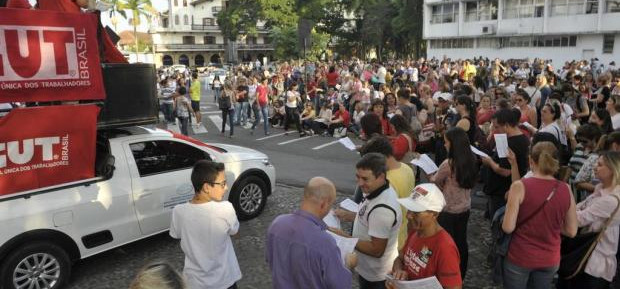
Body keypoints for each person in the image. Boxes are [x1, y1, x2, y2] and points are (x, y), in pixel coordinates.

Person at [502, 142, 577, 289]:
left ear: (531, 161)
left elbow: (508, 227)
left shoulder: (519, 186)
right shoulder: (566, 189)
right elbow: (571, 231)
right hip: (550, 258)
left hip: (520, 256)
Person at [266, 177, 356, 289]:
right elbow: (340, 285)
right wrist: (348, 264)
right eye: (331, 205)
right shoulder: (325, 242)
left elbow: (271, 260)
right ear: (323, 204)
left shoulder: (277, 223)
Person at [169, 160, 242, 289]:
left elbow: (177, 235)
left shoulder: (178, 211)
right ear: (207, 187)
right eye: (222, 183)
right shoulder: (225, 209)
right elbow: (235, 232)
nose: (226, 187)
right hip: (224, 280)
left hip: (195, 282)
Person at [334, 153, 402, 289]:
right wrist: (349, 215)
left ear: (381, 177)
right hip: (368, 270)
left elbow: (376, 250)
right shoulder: (376, 189)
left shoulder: (383, 210)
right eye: (357, 177)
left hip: (376, 276)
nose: (360, 183)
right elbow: (369, 219)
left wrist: (345, 237)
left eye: (365, 179)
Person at [561, 151, 620, 288]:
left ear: (612, 169)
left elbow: (579, 219)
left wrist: (568, 194)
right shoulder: (600, 189)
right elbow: (578, 208)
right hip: (586, 256)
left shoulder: (611, 200)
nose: (594, 167)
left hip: (595, 262)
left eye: (599, 165)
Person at [387, 183, 462, 289]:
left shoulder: (445, 247)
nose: (408, 216)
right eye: (409, 210)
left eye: (416, 213)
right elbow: (400, 258)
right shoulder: (415, 231)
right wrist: (398, 271)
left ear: (434, 214)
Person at [429, 127, 478, 279]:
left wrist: (429, 173)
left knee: (445, 244)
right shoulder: (471, 159)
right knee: (461, 241)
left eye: (446, 142)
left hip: (448, 210)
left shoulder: (448, 164)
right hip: (464, 207)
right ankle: (460, 273)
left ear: (453, 144)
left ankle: (445, 274)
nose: (444, 145)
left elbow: (436, 180)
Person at [481, 108, 530, 218]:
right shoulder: (521, 138)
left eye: (497, 127)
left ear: (507, 125)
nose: (494, 130)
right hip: (501, 189)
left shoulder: (512, 142)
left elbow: (505, 171)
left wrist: (489, 162)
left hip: (503, 191)